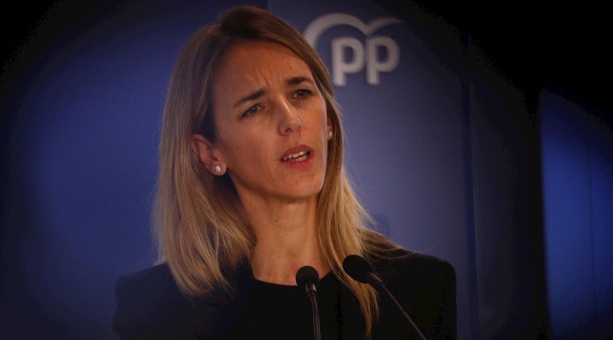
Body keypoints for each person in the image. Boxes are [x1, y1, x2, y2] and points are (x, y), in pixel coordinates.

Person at [112, 5, 455, 339]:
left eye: (301, 92)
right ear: (210, 152)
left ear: (330, 123)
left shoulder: (416, 291)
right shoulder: (156, 311)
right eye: (255, 107)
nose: (291, 120)